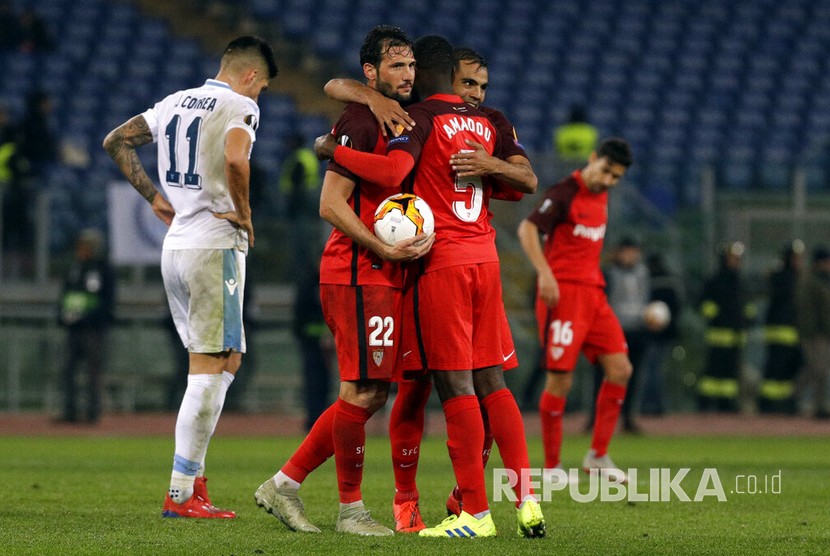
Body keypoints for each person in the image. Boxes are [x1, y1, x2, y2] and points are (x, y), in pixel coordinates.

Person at [316, 35, 544, 539]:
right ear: (450, 77)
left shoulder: (420, 119)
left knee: (433, 389)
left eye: (482, 85)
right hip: (484, 261)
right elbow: (526, 180)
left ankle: (472, 512)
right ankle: (524, 498)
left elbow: (395, 169)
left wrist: (332, 150)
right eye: (469, 83)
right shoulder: (492, 123)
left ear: (425, 75)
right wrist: (492, 165)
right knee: (490, 384)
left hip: (435, 266)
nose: (478, 93)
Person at [253, 25, 432, 537]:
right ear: (372, 72)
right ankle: (350, 510)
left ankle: (284, 484)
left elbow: (340, 86)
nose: (408, 75)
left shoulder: (392, 111)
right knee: (361, 389)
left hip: (380, 271)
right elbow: (328, 204)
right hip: (357, 271)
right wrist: (379, 247)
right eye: (397, 66)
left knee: (372, 392)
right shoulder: (359, 118)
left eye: (411, 65)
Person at [103, 35, 279, 518]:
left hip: (177, 246)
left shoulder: (174, 102)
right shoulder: (240, 104)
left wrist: (154, 198)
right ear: (249, 76)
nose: (258, 95)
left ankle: (193, 475)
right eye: (261, 86)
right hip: (212, 247)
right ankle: (181, 492)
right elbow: (238, 158)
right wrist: (244, 212)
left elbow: (115, 140)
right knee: (207, 369)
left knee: (228, 360)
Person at [517, 137, 634, 484]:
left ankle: (597, 455)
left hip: (594, 296)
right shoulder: (565, 191)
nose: (609, 181)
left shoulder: (602, 194)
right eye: (606, 171)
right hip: (562, 296)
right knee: (560, 380)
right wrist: (545, 273)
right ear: (592, 157)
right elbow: (528, 228)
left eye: (616, 177)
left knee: (621, 369)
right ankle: (552, 468)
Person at [585, 236, 651, 434]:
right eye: (626, 251)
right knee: (601, 377)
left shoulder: (643, 273)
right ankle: (595, 417)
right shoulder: (608, 274)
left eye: (633, 251)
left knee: (632, 376)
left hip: (637, 330)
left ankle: (628, 417)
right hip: (612, 331)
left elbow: (646, 299)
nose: (630, 256)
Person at [56, 228, 116, 424]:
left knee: (93, 372)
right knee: (67, 371)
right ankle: (70, 411)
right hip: (74, 329)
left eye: (86, 246)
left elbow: (107, 301)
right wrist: (62, 316)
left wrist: (92, 317)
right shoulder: (74, 268)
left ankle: (93, 412)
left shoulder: (104, 269)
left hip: (94, 330)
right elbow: (65, 294)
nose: (81, 249)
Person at [697, 241, 756, 412]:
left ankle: (726, 402)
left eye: (738, 258)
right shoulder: (715, 281)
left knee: (731, 373)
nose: (736, 261)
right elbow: (702, 303)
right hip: (718, 334)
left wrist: (749, 317)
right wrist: (715, 314)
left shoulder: (740, 281)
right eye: (732, 258)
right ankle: (706, 401)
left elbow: (746, 304)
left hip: (736, 335)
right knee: (713, 370)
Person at [758, 240, 804, 413]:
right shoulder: (782, 278)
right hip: (779, 331)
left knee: (789, 369)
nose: (798, 261)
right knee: (775, 369)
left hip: (792, 332)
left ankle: (784, 402)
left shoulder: (795, 278)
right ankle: (768, 402)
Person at [639, 252, 683, 416]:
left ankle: (648, 405)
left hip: (649, 334)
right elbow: (678, 306)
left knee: (650, 370)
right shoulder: (670, 281)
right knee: (657, 370)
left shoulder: (647, 279)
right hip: (667, 335)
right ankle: (657, 405)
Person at [794, 246, 830, 419]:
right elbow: (808, 311)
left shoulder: (823, 281)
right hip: (815, 333)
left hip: (823, 333)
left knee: (813, 370)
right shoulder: (810, 282)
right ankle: (820, 405)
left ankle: (792, 397)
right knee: (820, 370)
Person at [553, 104, 598, 173]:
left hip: (565, 165)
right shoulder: (590, 132)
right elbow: (594, 149)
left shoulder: (562, 132)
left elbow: (558, 150)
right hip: (584, 165)